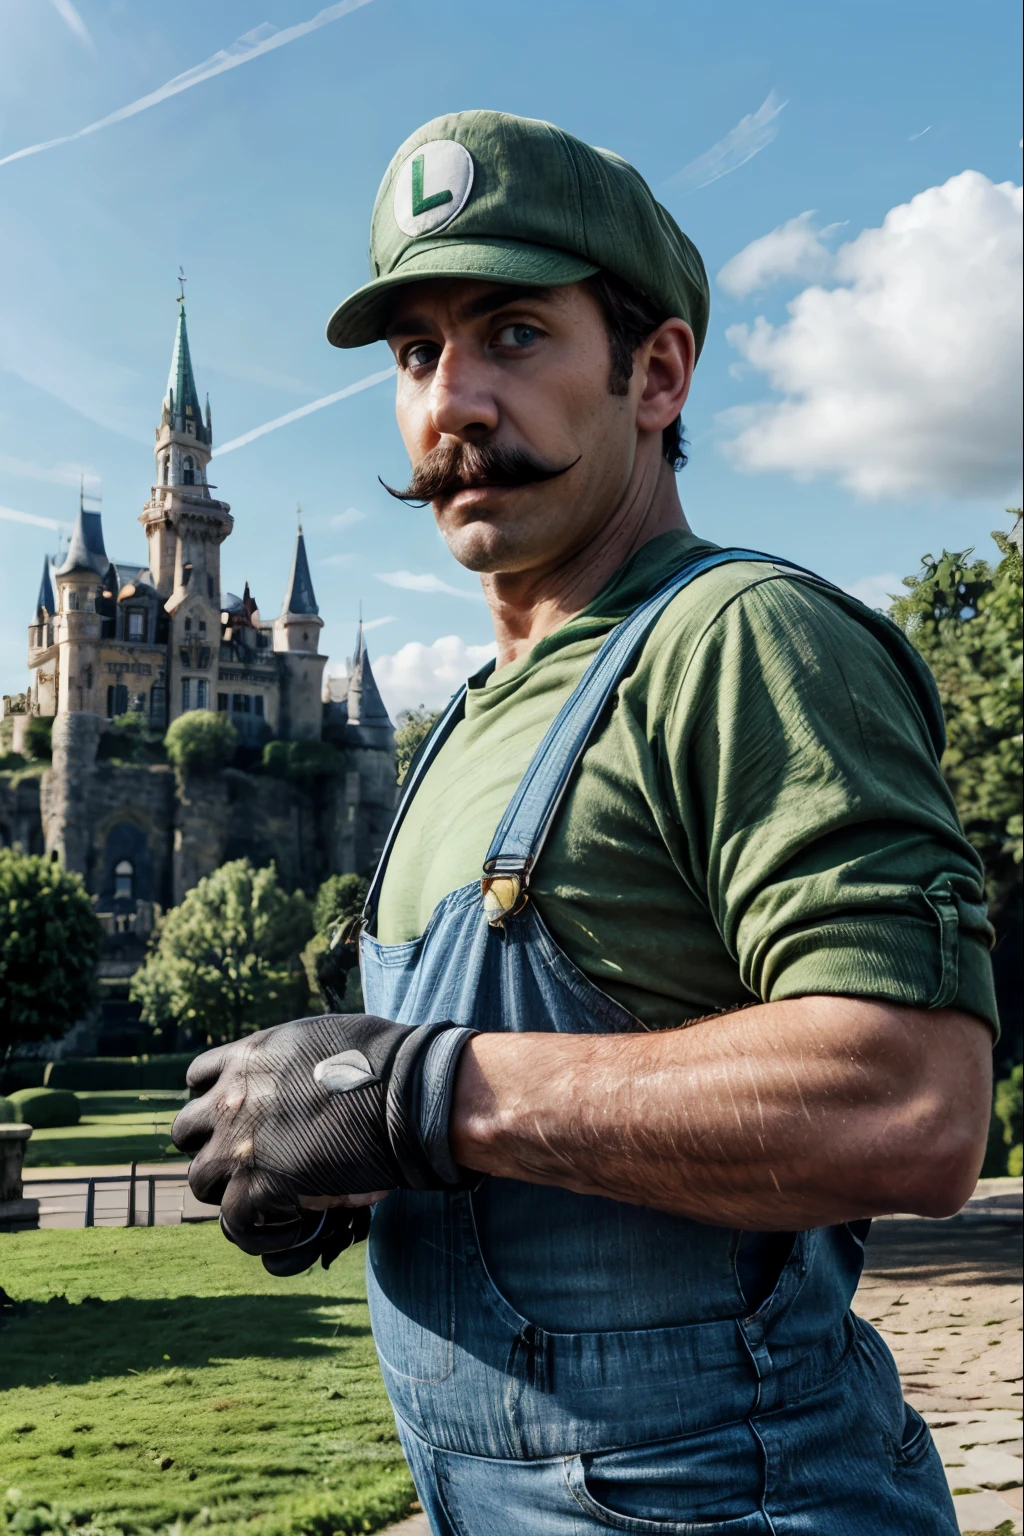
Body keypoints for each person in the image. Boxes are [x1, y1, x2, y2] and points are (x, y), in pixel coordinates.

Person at [174, 111, 997, 1533]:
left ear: (657, 372)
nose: (454, 404)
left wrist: (426, 1096)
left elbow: (912, 1102)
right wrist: (339, 1165)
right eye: (417, 355)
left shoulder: (743, 642)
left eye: (511, 335)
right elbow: (513, 1135)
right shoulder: (454, 731)